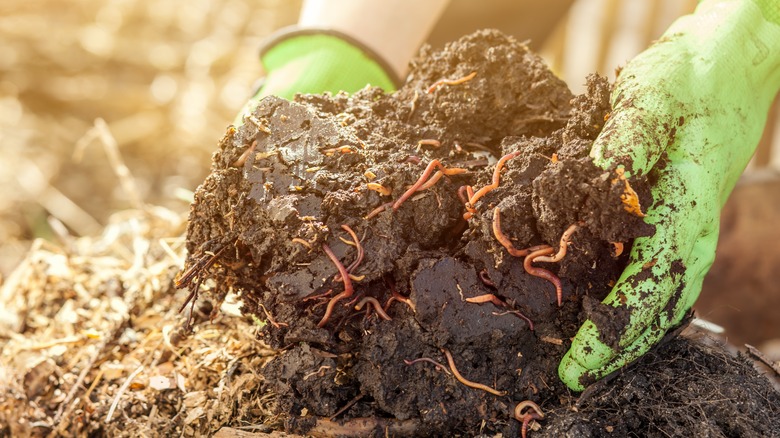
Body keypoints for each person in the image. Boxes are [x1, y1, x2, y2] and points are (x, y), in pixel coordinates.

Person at [236, 0, 780, 391]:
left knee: (703, 250)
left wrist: (752, 27)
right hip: (554, 72)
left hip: (741, 140)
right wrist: (351, 41)